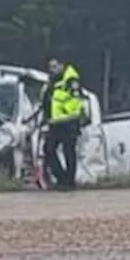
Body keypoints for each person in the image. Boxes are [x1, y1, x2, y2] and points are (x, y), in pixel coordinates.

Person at [42, 57, 86, 190]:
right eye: (50, 67)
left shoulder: (71, 80)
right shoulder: (53, 81)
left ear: (62, 65)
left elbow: (76, 100)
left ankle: (69, 182)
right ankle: (62, 179)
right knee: (48, 149)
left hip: (69, 122)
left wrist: (68, 114)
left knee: (69, 152)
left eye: (55, 66)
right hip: (56, 122)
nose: (52, 70)